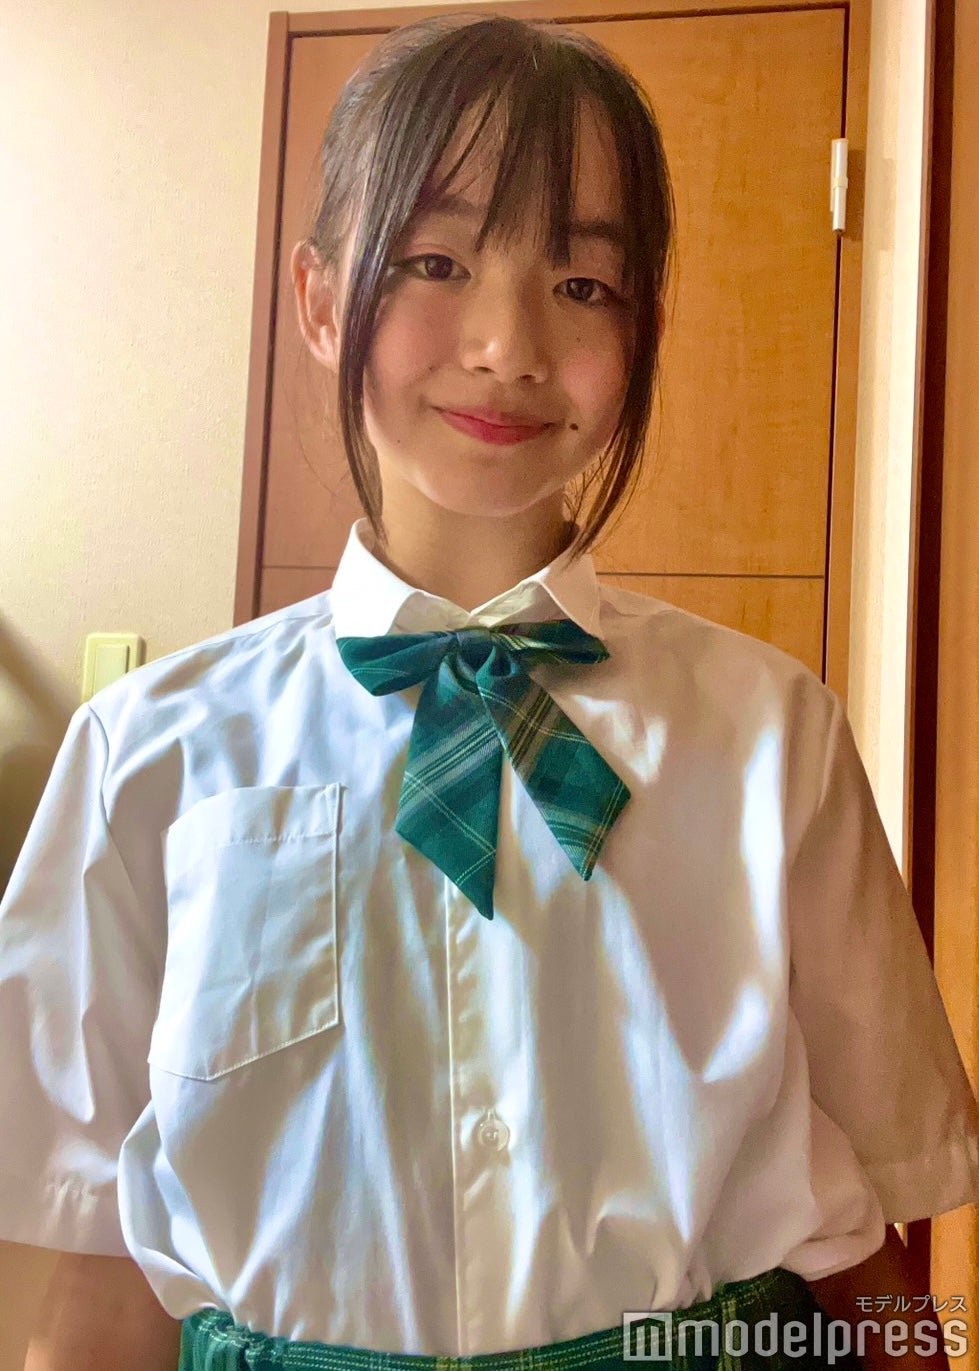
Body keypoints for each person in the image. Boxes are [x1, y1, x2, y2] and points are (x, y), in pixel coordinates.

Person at [2, 13, 977, 1371]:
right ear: (320, 300)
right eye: (437, 263)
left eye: (583, 284)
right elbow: (91, 1269)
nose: (510, 344)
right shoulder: (144, 754)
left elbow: (869, 1228)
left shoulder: (773, 732)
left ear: (645, 326)